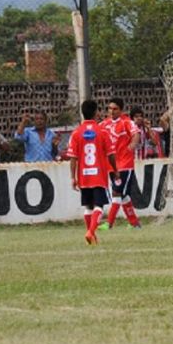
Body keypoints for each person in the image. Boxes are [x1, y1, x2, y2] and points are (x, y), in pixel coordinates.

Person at [67, 100, 120, 246]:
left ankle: (92, 236)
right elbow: (111, 154)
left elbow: (73, 158)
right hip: (98, 176)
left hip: (84, 176)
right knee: (99, 206)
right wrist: (115, 170)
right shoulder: (102, 131)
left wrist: (73, 177)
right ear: (96, 112)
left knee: (88, 207)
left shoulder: (76, 133)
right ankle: (90, 232)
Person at [98, 97, 142, 229]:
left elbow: (136, 134)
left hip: (124, 164)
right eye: (110, 108)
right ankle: (134, 223)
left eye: (115, 109)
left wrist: (133, 144)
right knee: (123, 196)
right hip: (110, 166)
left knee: (117, 193)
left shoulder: (126, 122)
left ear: (121, 110)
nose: (112, 111)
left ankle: (109, 223)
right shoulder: (104, 124)